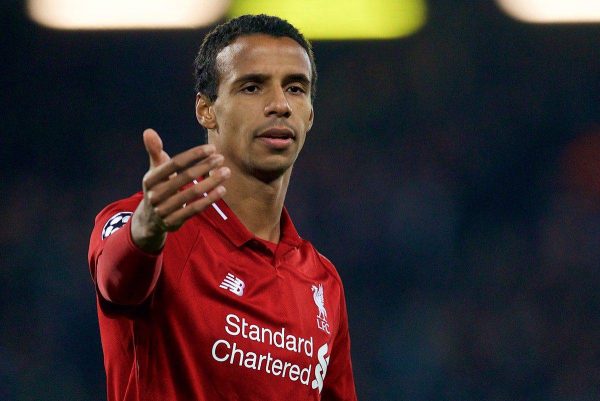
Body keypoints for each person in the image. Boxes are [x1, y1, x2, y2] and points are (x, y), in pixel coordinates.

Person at [88, 14, 357, 401]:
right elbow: (116, 279)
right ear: (206, 110)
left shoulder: (322, 282)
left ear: (310, 114)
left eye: (296, 88)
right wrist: (144, 236)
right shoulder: (152, 226)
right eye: (252, 87)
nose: (280, 104)